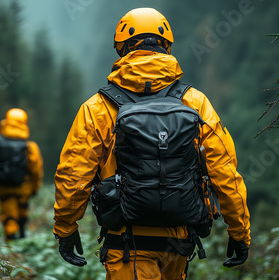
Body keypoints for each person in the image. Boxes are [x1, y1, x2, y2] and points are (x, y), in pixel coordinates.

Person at [53, 7, 250, 279]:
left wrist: (65, 228)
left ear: (121, 47)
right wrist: (239, 231)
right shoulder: (195, 102)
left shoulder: (97, 108)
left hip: (126, 244)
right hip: (179, 242)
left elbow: (74, 177)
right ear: (166, 46)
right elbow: (225, 173)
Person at [0, 108, 43, 241]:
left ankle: (10, 243)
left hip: (4, 186)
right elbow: (36, 170)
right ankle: (22, 234)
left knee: (8, 213)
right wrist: (35, 187)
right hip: (25, 186)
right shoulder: (30, 147)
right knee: (22, 208)